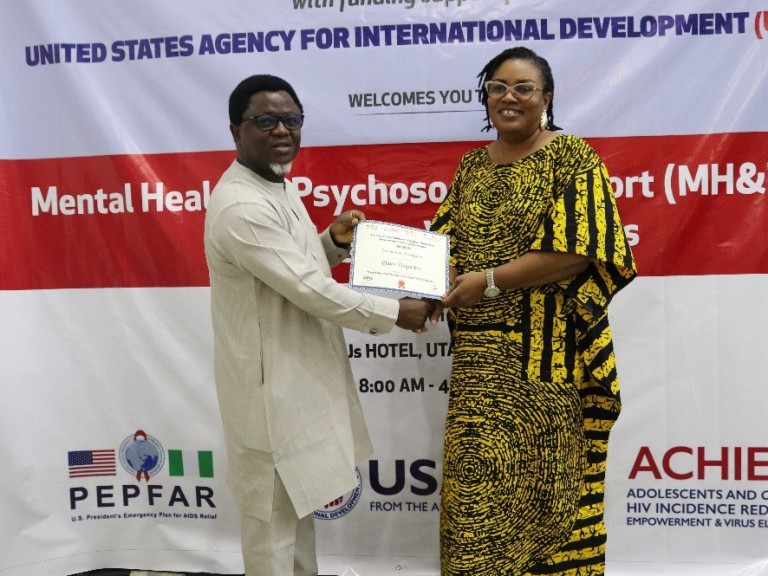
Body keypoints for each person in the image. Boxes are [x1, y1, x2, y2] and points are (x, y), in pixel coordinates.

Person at [203, 74, 431, 576]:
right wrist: (397, 312)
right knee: (271, 531)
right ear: (236, 130)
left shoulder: (272, 185)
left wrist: (334, 241)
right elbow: (310, 290)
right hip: (269, 396)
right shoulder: (242, 205)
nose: (282, 130)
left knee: (295, 519)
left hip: (292, 383)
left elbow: (296, 267)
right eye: (266, 120)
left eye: (292, 119)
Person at [427, 47, 637, 575]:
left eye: (523, 88)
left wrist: (490, 281)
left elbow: (580, 249)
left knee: (550, 496)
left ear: (546, 98)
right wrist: (420, 286)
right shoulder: (472, 166)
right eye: (498, 87)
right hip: (477, 367)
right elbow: (443, 247)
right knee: (475, 499)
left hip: (545, 361)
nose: (509, 97)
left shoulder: (572, 157)